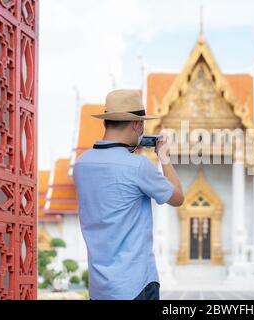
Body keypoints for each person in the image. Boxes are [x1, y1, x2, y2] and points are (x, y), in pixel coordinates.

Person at [73, 89, 184, 300]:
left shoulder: (81, 164)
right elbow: (177, 197)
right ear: (136, 125)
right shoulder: (138, 166)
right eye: (142, 124)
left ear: (107, 122)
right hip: (136, 285)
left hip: (99, 288)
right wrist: (164, 157)